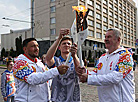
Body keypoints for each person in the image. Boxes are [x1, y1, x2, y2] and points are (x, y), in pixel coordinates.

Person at [75, 28, 135, 102]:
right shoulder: (102, 57)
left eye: (109, 37)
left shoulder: (125, 56)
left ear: (118, 40)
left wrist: (88, 79)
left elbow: (115, 77)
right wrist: (85, 72)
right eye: (105, 37)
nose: (106, 39)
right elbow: (96, 72)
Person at [13, 38, 69, 102]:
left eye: (37, 46)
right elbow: (33, 79)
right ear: (25, 49)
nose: (36, 49)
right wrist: (57, 70)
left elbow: (47, 79)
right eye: (33, 46)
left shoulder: (40, 63)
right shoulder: (19, 63)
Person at [45, 28, 81, 102]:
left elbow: (79, 70)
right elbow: (48, 58)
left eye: (69, 44)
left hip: (73, 99)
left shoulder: (76, 60)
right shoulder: (56, 61)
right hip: (58, 99)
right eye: (64, 43)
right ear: (59, 47)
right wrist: (59, 38)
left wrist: (74, 55)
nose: (66, 45)